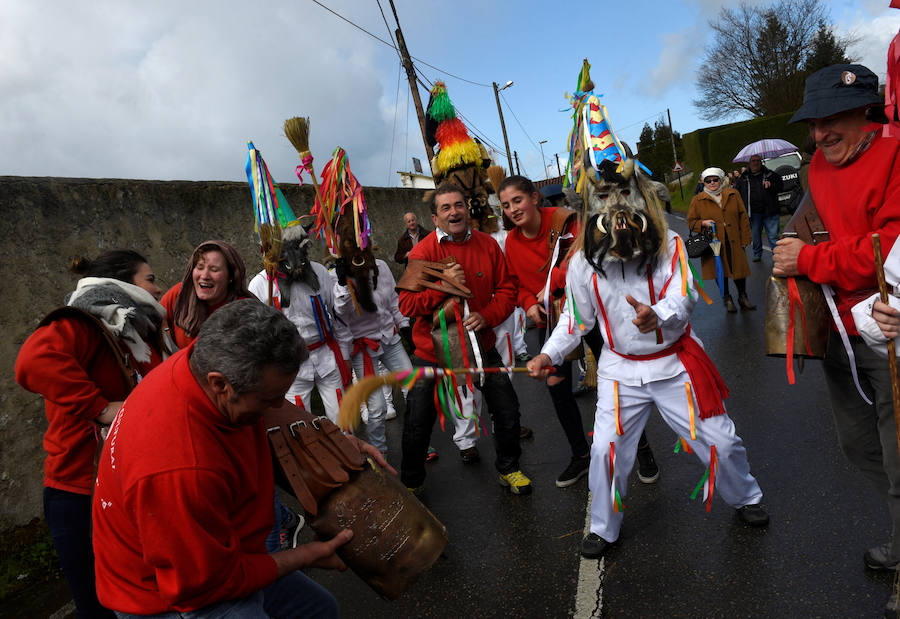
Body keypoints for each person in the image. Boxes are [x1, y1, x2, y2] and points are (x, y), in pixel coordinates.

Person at [528, 154, 768, 561]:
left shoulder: (669, 244)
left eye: (624, 191)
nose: (617, 205)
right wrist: (550, 354)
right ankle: (604, 528)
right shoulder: (583, 261)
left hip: (675, 365)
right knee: (606, 450)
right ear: (590, 202)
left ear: (640, 194)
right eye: (604, 194)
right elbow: (576, 318)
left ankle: (746, 497)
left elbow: (685, 294)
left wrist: (656, 315)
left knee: (721, 443)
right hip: (620, 372)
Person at [91, 300, 391, 617]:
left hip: (222, 550)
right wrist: (306, 556)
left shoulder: (203, 360)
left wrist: (331, 436)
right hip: (173, 596)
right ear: (220, 383)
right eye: (269, 399)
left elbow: (274, 409)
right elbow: (205, 583)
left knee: (317, 609)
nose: (278, 409)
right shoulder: (180, 466)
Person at [773, 63, 900, 614]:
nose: (819, 135)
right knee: (857, 444)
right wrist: (790, 251)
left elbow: (888, 252)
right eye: (813, 123)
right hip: (838, 336)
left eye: (831, 121)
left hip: (889, 332)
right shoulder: (817, 168)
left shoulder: (896, 156)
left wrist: (811, 259)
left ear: (866, 113)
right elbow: (817, 231)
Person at [16, 249, 171, 618]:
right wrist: (101, 408)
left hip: (127, 486)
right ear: (121, 283)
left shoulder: (136, 329)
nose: (158, 287)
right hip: (81, 492)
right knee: (99, 606)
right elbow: (33, 361)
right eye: (149, 279)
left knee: (145, 598)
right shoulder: (83, 323)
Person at [398, 182, 532, 495]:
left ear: (467, 209)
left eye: (458, 205)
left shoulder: (487, 244)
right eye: (445, 208)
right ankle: (412, 484)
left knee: (507, 408)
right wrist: (442, 287)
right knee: (418, 420)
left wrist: (487, 315)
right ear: (434, 218)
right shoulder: (422, 252)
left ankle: (509, 469)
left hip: (481, 346)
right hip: (432, 355)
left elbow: (507, 289)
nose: (454, 212)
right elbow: (407, 305)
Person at [248, 224, 351, 424]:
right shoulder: (260, 285)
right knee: (299, 427)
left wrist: (343, 285)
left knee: (343, 419)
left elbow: (338, 314)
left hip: (326, 359)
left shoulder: (320, 272)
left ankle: (352, 454)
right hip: (289, 367)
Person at [333, 256, 412, 454]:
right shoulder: (334, 276)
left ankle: (417, 440)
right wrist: (343, 284)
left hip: (390, 339)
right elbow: (340, 317)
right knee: (376, 407)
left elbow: (394, 301)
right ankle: (380, 454)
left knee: (414, 388)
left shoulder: (381, 265)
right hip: (363, 348)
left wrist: (405, 327)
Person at [160, 240, 251, 349]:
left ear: (231, 277)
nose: (205, 276)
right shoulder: (179, 295)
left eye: (214, 269)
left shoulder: (245, 311)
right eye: (200, 267)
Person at [687, 167, 755, 312]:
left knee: (738, 269)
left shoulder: (733, 194)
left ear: (721, 180)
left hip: (733, 239)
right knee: (719, 270)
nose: (712, 183)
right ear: (703, 182)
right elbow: (691, 222)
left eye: (715, 179)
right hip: (714, 243)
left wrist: (746, 238)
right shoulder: (698, 200)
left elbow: (743, 216)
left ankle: (743, 297)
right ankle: (727, 298)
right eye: (708, 180)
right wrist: (702, 223)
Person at [736, 154, 782, 262]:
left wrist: (771, 185)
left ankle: (778, 255)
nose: (755, 163)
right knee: (755, 235)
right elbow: (737, 193)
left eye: (758, 160)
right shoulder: (743, 178)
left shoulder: (770, 174)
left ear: (761, 162)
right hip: (753, 213)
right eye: (753, 161)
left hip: (770, 211)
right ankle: (757, 253)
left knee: (773, 235)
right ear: (749, 163)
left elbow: (780, 187)